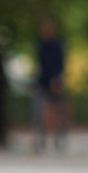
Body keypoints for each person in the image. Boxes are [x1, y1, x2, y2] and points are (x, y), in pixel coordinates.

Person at [33, 18, 67, 150]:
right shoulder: (41, 45)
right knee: (38, 111)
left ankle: (59, 139)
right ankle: (40, 139)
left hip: (55, 82)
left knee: (58, 112)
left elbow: (60, 64)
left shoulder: (57, 45)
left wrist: (56, 78)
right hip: (42, 82)